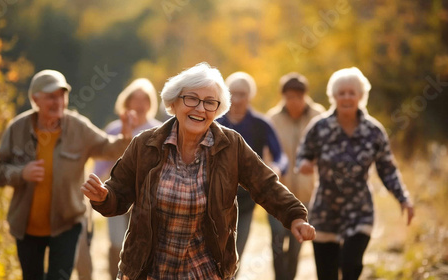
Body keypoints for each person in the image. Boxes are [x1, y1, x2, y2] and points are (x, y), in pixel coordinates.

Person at [81, 62, 316, 280]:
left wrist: (294, 215)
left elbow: (264, 184)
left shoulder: (230, 145)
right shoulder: (146, 144)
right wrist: (104, 197)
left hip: (204, 269)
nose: (200, 108)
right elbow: (119, 193)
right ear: (173, 103)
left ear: (218, 109)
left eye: (209, 102)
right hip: (148, 269)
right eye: (191, 99)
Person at [0, 70, 133, 280]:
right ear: (35, 99)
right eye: (51, 96)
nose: (58, 102)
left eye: (62, 95)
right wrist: (21, 173)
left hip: (67, 223)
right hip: (26, 226)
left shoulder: (77, 127)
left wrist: (125, 136)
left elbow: (108, 148)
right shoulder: (17, 129)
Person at [296, 67, 415, 280]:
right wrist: (304, 164)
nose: (347, 97)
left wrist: (403, 198)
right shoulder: (320, 128)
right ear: (333, 97)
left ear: (361, 96)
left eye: (352, 92)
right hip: (325, 211)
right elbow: (303, 154)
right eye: (341, 93)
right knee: (326, 274)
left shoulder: (373, 131)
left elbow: (387, 169)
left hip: (359, 210)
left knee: (351, 266)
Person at [215, 71, 289, 272]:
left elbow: (281, 156)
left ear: (250, 96)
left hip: (246, 199)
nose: (238, 99)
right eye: (233, 93)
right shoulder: (216, 123)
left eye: (242, 94)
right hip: (217, 196)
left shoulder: (261, 124)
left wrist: (277, 168)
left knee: (236, 250)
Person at [93, 78, 162, 279]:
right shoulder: (114, 129)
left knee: (143, 247)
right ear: (127, 102)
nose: (140, 105)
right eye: (136, 99)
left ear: (151, 104)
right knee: (116, 244)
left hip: (147, 200)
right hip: (117, 195)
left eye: (145, 100)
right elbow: (101, 165)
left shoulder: (160, 130)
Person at [266, 72, 325, 280]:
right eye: (289, 97)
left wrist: (315, 162)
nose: (294, 101)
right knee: (276, 238)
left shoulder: (318, 116)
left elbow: (326, 149)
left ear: (305, 96)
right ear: (283, 97)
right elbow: (266, 154)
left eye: (298, 97)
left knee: (296, 243)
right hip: (277, 194)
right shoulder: (272, 119)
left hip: (307, 192)